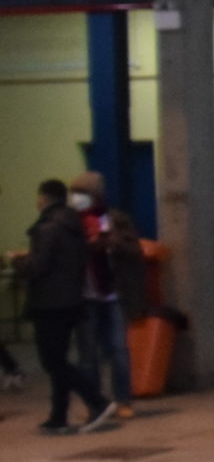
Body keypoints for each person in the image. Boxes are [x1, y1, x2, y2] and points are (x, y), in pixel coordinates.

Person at [20, 179, 115, 435]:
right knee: (59, 359)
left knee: (52, 361)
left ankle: (97, 401)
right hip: (71, 300)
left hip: (49, 302)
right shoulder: (74, 224)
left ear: (43, 198)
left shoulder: (47, 228)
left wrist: (19, 263)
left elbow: (39, 266)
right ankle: (58, 416)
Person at [66, 171, 141, 418]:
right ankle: (95, 403)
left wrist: (112, 242)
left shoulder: (114, 219)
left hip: (113, 294)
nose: (76, 198)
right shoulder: (70, 223)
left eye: (81, 193)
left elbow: (134, 250)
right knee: (88, 354)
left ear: (95, 195)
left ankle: (123, 399)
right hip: (84, 296)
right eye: (74, 193)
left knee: (119, 350)